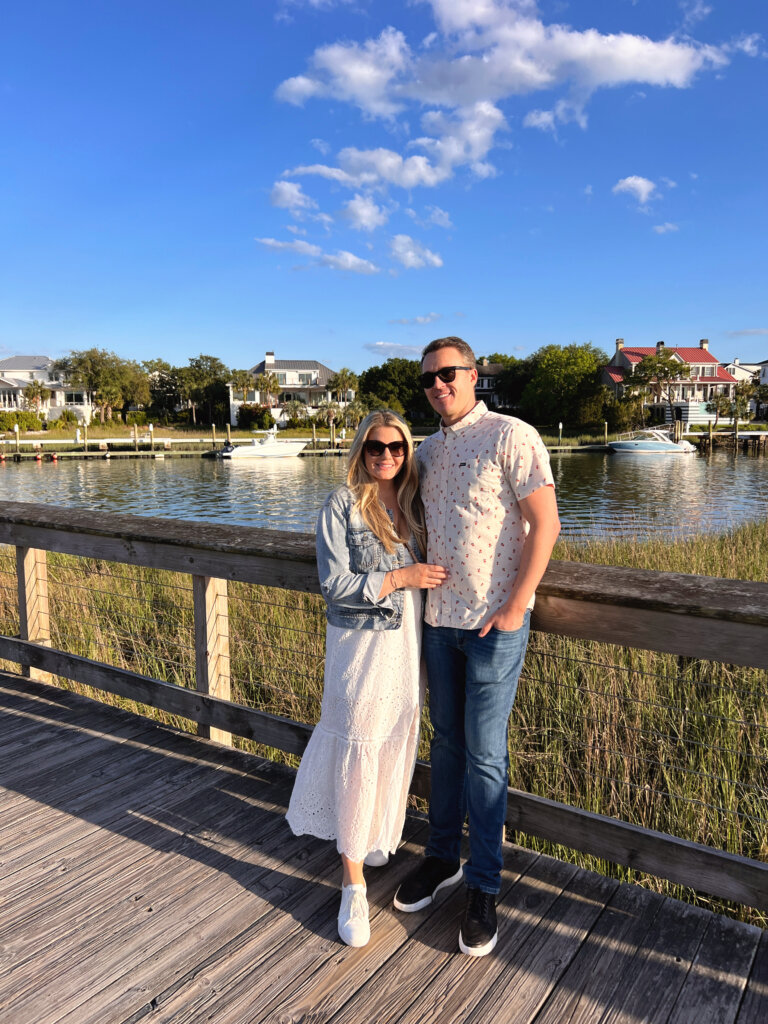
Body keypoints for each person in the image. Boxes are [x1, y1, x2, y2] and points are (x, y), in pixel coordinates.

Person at [393, 337, 561, 958]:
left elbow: (546, 522)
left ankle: (484, 886)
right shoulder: (427, 450)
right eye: (428, 380)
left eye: (448, 374)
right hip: (439, 621)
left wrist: (517, 604)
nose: (438, 386)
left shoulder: (512, 435)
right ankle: (442, 861)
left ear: (472, 375)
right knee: (447, 746)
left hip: (494, 627)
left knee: (487, 757)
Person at [287, 410, 449, 948]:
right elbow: (335, 584)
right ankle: (352, 883)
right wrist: (401, 576)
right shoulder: (342, 504)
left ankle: (374, 834)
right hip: (361, 648)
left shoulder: (412, 504)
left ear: (407, 452)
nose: (386, 456)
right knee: (358, 741)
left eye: (397, 447)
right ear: (361, 450)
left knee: (393, 740)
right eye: (376, 447)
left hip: (408, 648)